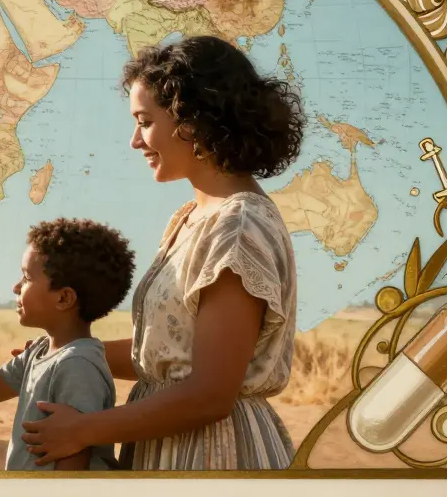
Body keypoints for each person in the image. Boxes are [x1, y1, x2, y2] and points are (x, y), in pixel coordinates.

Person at [19, 35, 305, 471]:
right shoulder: (193, 218)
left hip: (213, 457)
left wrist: (85, 429)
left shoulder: (238, 229)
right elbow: (171, 354)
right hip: (169, 447)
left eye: (145, 121)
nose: (136, 140)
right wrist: (65, 351)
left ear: (193, 120)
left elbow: (210, 394)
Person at [0, 218, 136, 471]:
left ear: (63, 298)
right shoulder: (40, 352)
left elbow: (73, 468)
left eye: (27, 278)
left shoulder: (78, 365)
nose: (16, 287)